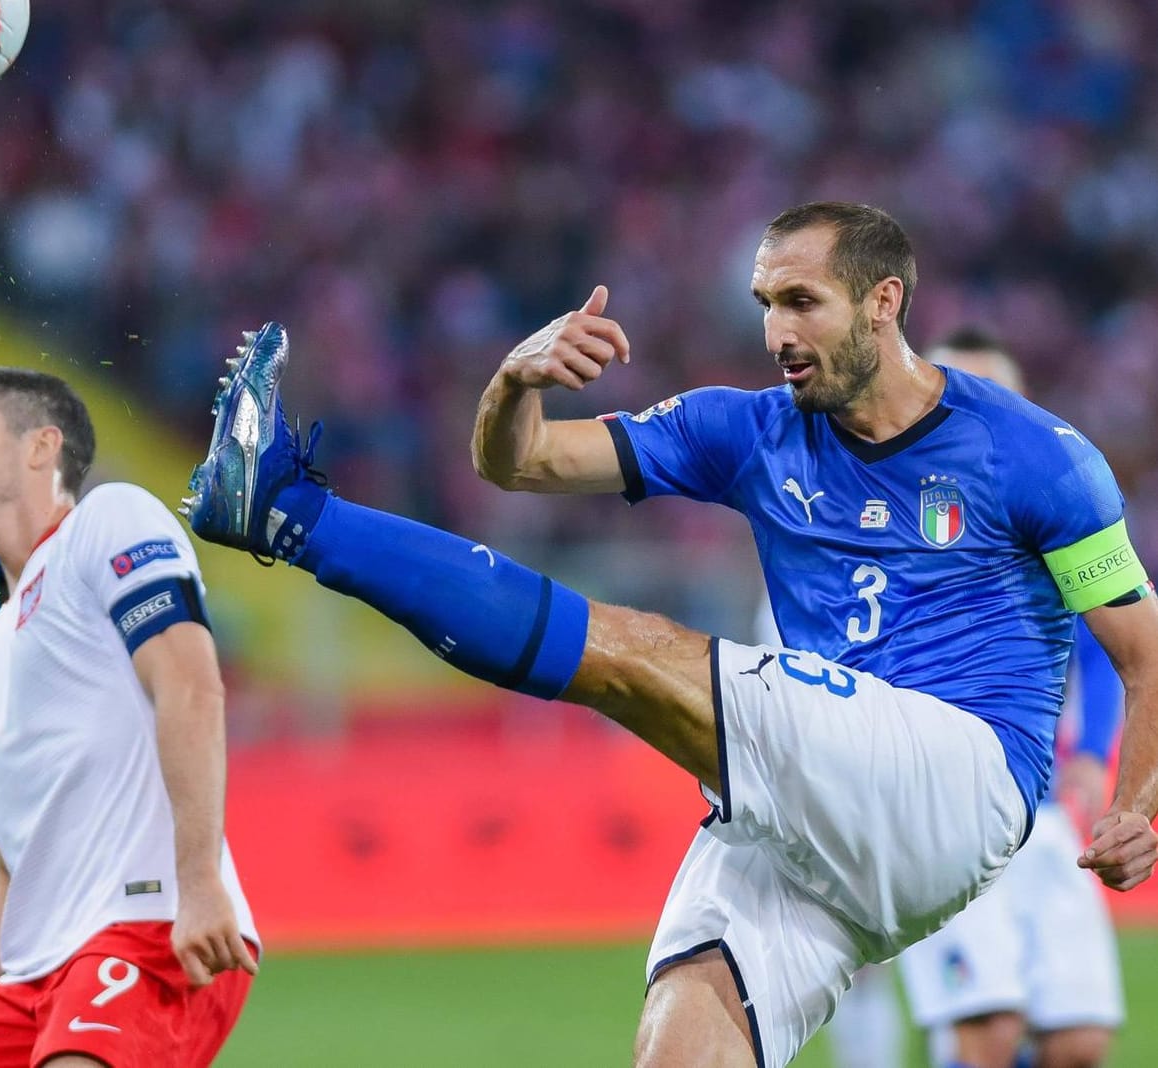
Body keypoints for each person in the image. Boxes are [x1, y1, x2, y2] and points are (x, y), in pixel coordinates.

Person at [176, 202, 1158, 1067]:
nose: (776, 329)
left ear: (884, 300)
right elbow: (519, 466)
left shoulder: (1031, 454)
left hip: (965, 775)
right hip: (818, 815)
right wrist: (516, 384)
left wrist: (1137, 802)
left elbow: (1142, 648)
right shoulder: (751, 431)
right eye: (765, 301)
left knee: (632, 653)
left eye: (802, 300)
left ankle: (283, 514)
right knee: (685, 1040)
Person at [0, 367, 258, 1068]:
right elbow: (16, 878)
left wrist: (200, 884)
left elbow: (192, 687)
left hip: (149, 934)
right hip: (32, 978)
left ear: (40, 447)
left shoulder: (108, 523)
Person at [892, 329, 1125, 1068]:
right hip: (942, 807)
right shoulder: (891, 512)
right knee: (988, 1028)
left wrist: (1092, 753)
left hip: (1041, 804)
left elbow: (1106, 638)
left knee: (1079, 1040)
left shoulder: (1050, 505)